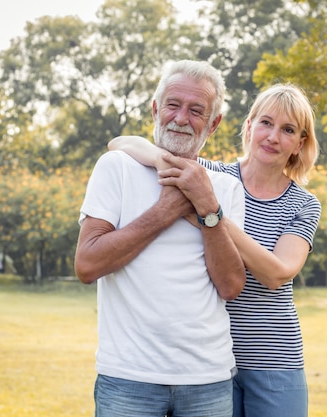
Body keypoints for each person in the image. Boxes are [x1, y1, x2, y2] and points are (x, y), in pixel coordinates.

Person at [109, 83, 322, 417]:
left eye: (288, 130)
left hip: (275, 359)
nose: (273, 136)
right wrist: (160, 160)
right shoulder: (214, 176)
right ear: (249, 126)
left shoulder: (303, 204)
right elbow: (121, 143)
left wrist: (210, 213)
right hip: (214, 362)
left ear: (300, 143)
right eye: (265, 123)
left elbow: (277, 273)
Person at [74, 60, 247, 417]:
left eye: (196, 110)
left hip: (208, 377)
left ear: (213, 124)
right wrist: (166, 210)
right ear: (155, 109)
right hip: (127, 376)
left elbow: (231, 286)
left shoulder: (227, 189)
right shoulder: (117, 167)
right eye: (172, 104)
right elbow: (87, 265)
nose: (181, 118)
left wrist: (207, 206)